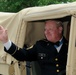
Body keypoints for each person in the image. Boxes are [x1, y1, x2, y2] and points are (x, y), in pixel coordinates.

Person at [0, 20, 68, 75]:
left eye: (50, 29)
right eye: (45, 29)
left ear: (60, 29)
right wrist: (6, 41)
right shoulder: (40, 45)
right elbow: (23, 54)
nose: (46, 32)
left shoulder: (71, 46)